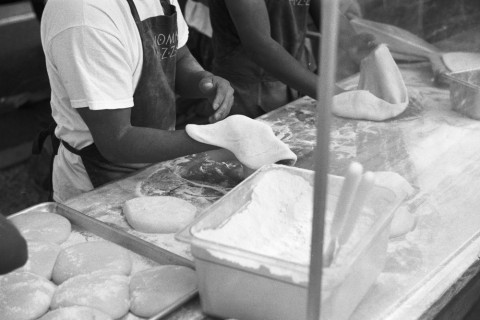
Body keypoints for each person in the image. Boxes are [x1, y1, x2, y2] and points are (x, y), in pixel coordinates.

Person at [40, 0, 234, 202]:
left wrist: (203, 80)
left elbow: (176, 56)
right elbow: (117, 140)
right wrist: (217, 138)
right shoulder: (85, 17)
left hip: (155, 163)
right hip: (99, 184)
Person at [207, 0, 378, 118]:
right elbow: (259, 46)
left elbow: (327, 12)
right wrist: (335, 94)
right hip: (248, 93)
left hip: (299, 81)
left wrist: (352, 42)